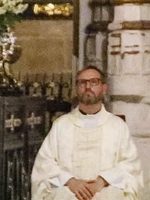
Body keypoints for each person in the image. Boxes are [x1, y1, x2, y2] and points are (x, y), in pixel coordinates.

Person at [31, 66, 142, 200]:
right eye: (82, 83)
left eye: (94, 82)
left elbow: (130, 165)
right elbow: (45, 163)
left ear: (104, 88)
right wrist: (70, 181)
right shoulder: (61, 125)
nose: (88, 86)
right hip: (68, 192)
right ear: (77, 89)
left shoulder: (117, 126)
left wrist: (102, 181)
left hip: (106, 191)